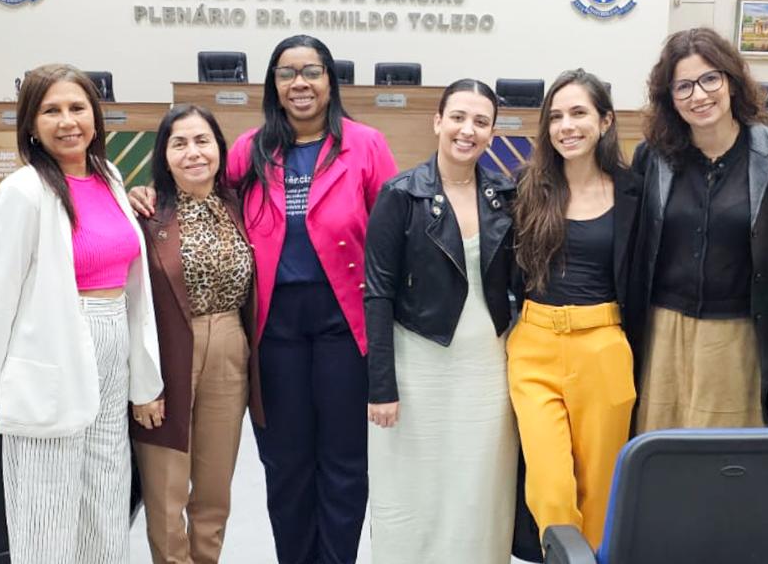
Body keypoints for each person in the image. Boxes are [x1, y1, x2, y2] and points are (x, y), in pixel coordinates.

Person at [130, 34, 397, 564]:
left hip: (344, 324)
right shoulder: (251, 148)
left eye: (312, 71)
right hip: (273, 328)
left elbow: (390, 236)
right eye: (286, 73)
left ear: (330, 81)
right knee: (286, 461)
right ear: (273, 84)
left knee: (344, 462)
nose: (300, 83)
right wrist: (150, 192)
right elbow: (204, 193)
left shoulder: (367, 144)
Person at [0, 64, 164, 563]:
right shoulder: (23, 191)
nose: (67, 121)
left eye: (77, 108)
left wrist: (144, 379)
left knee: (105, 501)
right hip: (52, 352)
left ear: (95, 117)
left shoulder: (111, 177)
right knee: (47, 513)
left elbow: (133, 289)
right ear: (31, 125)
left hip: (112, 345)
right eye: (51, 110)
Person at [364, 79, 518, 562]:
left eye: (481, 122)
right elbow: (377, 293)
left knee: (479, 489)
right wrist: (381, 386)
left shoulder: (505, 196)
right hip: (418, 365)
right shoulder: (400, 195)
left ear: (492, 133)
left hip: (486, 367)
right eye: (458, 117)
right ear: (437, 122)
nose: (467, 130)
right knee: (412, 488)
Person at [630, 27, 768, 432]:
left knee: (727, 451)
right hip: (664, 330)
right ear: (669, 97)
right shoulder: (653, 157)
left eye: (710, 79)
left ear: (731, 80)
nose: (699, 95)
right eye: (683, 86)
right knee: (662, 445)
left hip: (739, 333)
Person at [508, 68, 640, 549]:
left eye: (579, 113)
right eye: (556, 116)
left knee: (601, 489)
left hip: (602, 345)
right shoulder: (526, 186)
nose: (566, 126)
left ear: (605, 121)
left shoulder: (633, 191)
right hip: (534, 345)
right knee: (550, 488)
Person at [132, 104, 263, 563]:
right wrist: (142, 383)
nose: (193, 153)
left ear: (219, 149)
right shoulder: (146, 214)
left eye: (202, 141)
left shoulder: (241, 205)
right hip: (168, 350)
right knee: (166, 491)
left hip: (229, 347)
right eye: (180, 143)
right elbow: (133, 304)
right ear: (164, 155)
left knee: (214, 490)